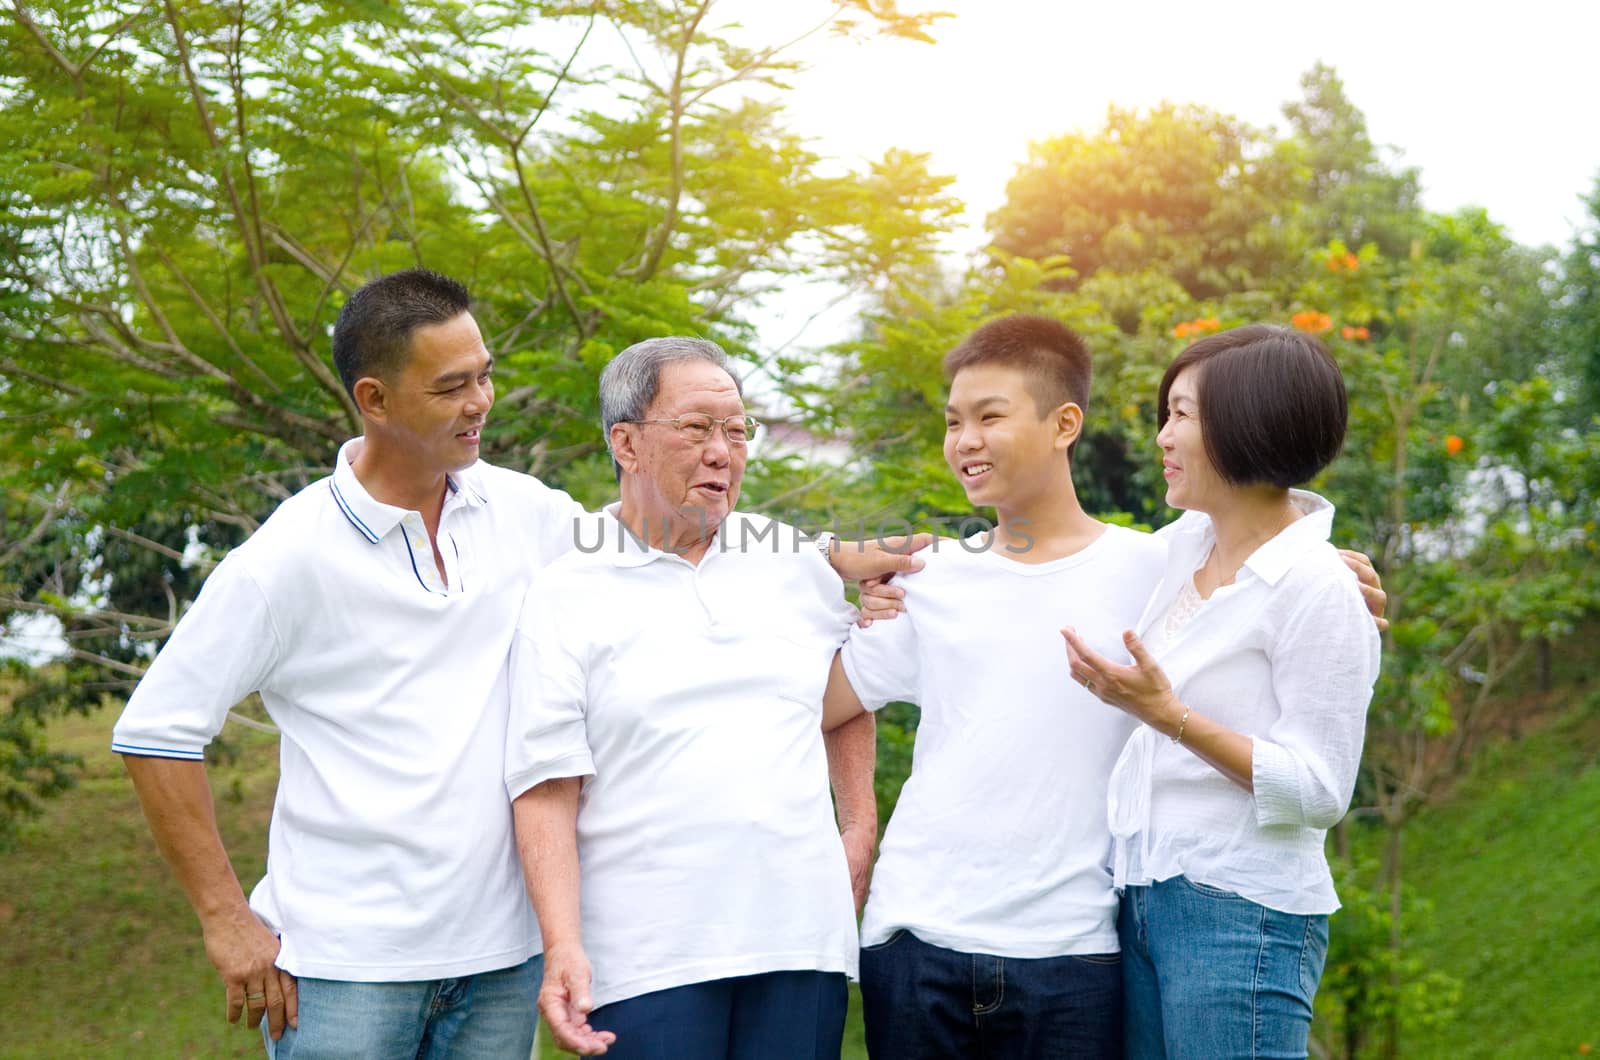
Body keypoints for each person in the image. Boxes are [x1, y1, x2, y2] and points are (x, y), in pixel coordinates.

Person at [111, 271, 913, 1058]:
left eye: (485, 375)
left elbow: (663, 530)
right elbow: (156, 732)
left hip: (501, 956)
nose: (481, 402)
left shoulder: (523, 511)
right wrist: (225, 919)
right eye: (452, 385)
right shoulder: (285, 558)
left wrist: (837, 559)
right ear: (375, 399)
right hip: (349, 964)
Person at [821, 316, 1387, 1059]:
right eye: (953, 421)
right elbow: (822, 701)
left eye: (990, 416)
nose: (965, 439)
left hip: (1085, 947)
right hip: (922, 937)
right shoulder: (938, 582)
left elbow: (1266, 565)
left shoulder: (1149, 572)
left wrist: (1333, 570)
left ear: (1065, 424)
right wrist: (823, 570)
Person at [506, 337, 904, 1059]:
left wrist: (860, 826)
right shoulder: (566, 590)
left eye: (736, 430)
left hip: (798, 941)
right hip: (648, 955)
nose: (723, 451)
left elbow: (844, 694)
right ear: (626, 442)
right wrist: (562, 943)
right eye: (696, 428)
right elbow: (546, 786)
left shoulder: (793, 561)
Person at [1062, 324, 1382, 1060]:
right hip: (1144, 894)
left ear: (1248, 424)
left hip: (1241, 913)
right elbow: (1059, 557)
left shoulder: (1317, 588)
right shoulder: (1182, 548)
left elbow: (1318, 790)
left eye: (1182, 414)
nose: (1162, 437)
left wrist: (1167, 716)